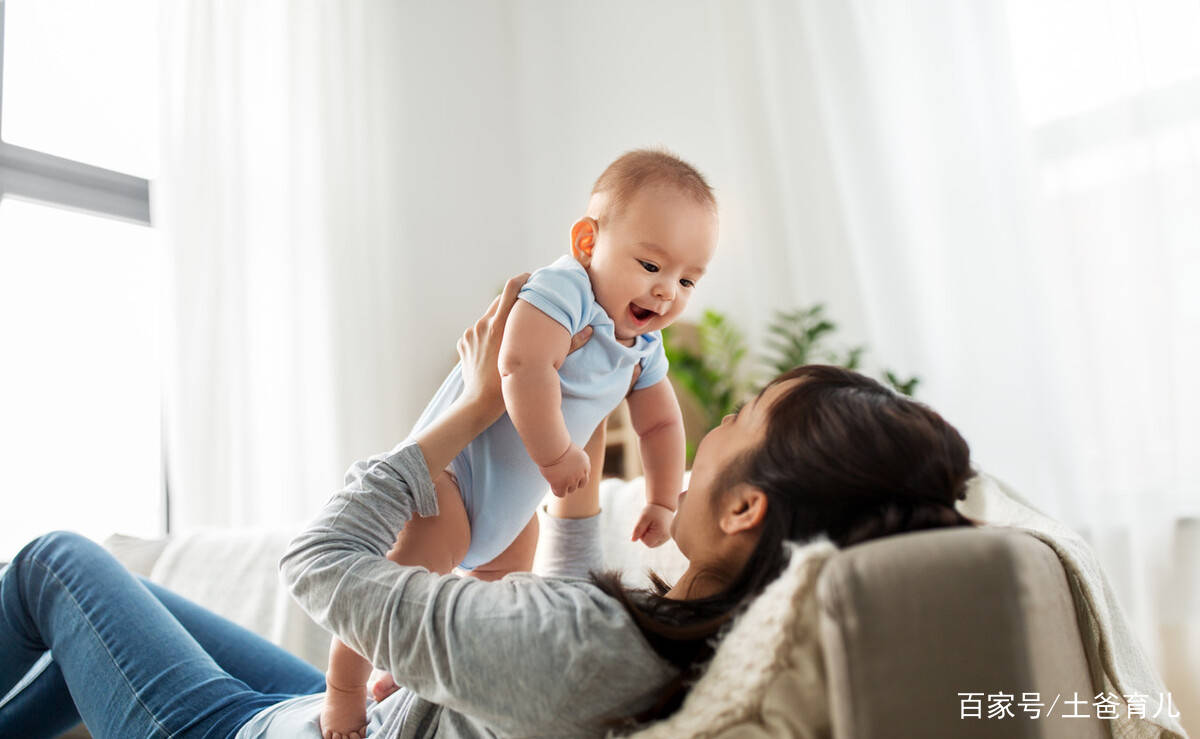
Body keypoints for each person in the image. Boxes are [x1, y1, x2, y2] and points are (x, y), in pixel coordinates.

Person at [0, 273, 975, 738]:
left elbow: (319, 562)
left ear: (745, 509)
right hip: (314, 715)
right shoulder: (689, 640)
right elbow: (541, 661)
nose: (706, 429)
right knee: (120, 603)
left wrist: (467, 405)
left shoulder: (596, 646)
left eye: (739, 423)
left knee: (54, 559)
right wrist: (575, 489)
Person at [321, 148, 719, 737]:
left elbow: (660, 425)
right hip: (455, 480)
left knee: (496, 605)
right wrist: (559, 454)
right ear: (588, 242)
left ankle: (408, 680)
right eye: (651, 265)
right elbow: (520, 366)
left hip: (514, 510)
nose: (666, 293)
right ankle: (344, 692)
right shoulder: (563, 289)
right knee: (394, 590)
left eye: (687, 280)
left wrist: (662, 499)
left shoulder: (643, 347)